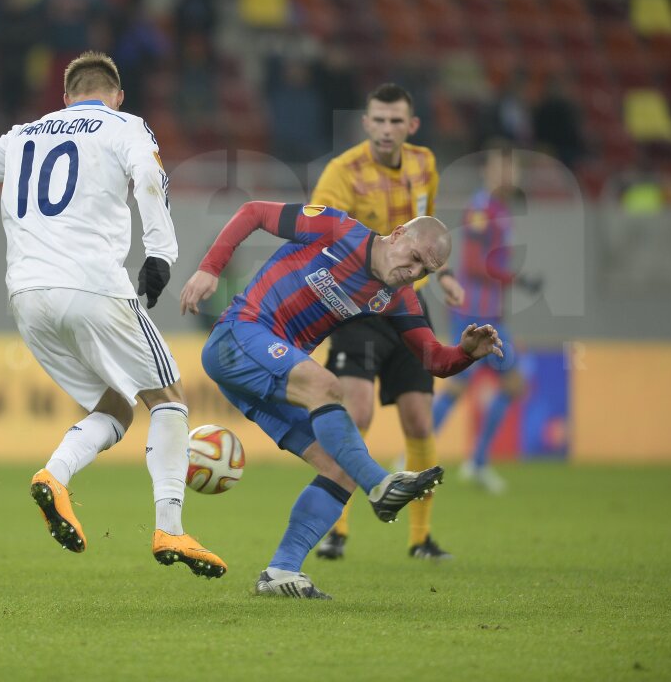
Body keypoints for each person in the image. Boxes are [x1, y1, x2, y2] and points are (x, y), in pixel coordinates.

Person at [0, 50, 227, 579]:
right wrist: (161, 254)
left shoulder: (25, 134)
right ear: (117, 96)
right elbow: (148, 175)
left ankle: (55, 475)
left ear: (66, 97)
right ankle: (170, 527)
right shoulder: (125, 125)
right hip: (94, 286)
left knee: (116, 407)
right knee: (168, 401)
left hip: (27, 298)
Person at [180, 204, 502, 598]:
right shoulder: (336, 228)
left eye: (425, 272)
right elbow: (252, 212)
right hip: (238, 336)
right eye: (415, 257)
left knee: (341, 467)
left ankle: (281, 572)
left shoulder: (399, 298)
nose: (414, 272)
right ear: (398, 233)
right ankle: (380, 485)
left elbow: (433, 359)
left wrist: (466, 352)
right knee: (328, 387)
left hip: (262, 373)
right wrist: (210, 268)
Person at [309, 83, 466, 561]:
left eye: (395, 121)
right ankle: (336, 528)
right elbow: (318, 235)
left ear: (411, 126)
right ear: (365, 122)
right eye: (378, 119)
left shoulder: (424, 165)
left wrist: (446, 276)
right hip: (357, 308)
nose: (385, 129)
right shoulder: (342, 173)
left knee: (419, 420)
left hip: (408, 307)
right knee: (356, 415)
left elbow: (429, 231)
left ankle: (420, 538)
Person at [433, 149, 541, 493]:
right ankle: (417, 457)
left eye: (511, 169)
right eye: (500, 168)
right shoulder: (481, 208)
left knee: (512, 385)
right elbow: (475, 263)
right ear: (487, 172)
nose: (507, 175)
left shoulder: (500, 210)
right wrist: (516, 279)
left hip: (490, 314)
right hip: (471, 312)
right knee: (460, 385)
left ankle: (476, 462)